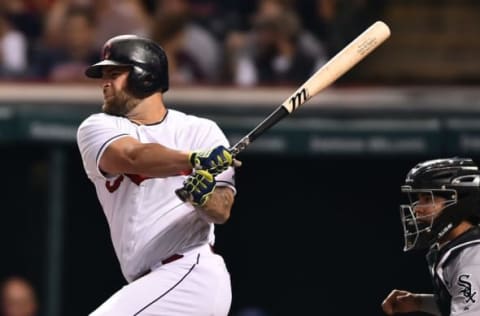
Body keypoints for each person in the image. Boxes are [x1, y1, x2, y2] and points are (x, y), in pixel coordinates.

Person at [76, 34, 237, 315]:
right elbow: (133, 156)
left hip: (189, 273)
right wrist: (192, 160)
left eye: (115, 73)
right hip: (152, 284)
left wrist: (203, 196)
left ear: (145, 76)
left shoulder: (201, 131)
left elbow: (221, 210)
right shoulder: (97, 127)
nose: (105, 82)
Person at [381, 157, 480, 316]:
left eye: (427, 199)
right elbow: (465, 303)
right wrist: (418, 302)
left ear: (458, 202)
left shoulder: (471, 260)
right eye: (418, 199)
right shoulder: (463, 250)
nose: (417, 209)